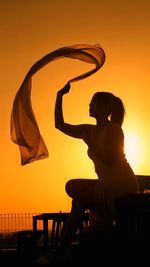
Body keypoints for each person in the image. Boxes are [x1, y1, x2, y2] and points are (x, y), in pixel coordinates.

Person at [38, 82, 139, 264]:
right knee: (71, 186)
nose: (90, 106)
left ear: (106, 108)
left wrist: (90, 142)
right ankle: (95, 211)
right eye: (91, 103)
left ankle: (62, 250)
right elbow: (59, 125)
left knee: (80, 199)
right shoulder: (89, 129)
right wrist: (59, 96)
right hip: (106, 181)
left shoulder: (114, 129)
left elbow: (109, 159)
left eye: (95, 103)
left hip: (122, 182)